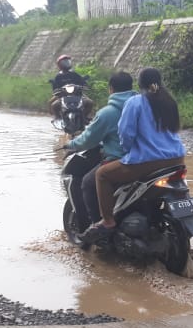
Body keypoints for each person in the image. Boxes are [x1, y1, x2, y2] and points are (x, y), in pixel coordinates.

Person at [78, 67, 185, 246]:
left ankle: (108, 221)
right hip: (176, 160)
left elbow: (125, 134)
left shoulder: (135, 102)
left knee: (102, 174)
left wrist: (128, 151)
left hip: (148, 162)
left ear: (139, 84)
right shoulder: (169, 102)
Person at [62, 71, 137, 230]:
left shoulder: (107, 113)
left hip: (123, 160)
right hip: (151, 159)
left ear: (111, 89)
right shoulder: (143, 107)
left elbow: (88, 138)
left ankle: (100, 228)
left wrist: (70, 144)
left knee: (88, 182)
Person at [49, 54, 94, 120]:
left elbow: (82, 82)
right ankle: (57, 118)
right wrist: (56, 88)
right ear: (59, 65)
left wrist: (84, 85)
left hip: (77, 94)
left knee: (90, 102)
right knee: (53, 104)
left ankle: (84, 116)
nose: (66, 63)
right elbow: (55, 87)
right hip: (62, 95)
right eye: (64, 62)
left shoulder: (74, 74)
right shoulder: (58, 76)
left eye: (67, 61)